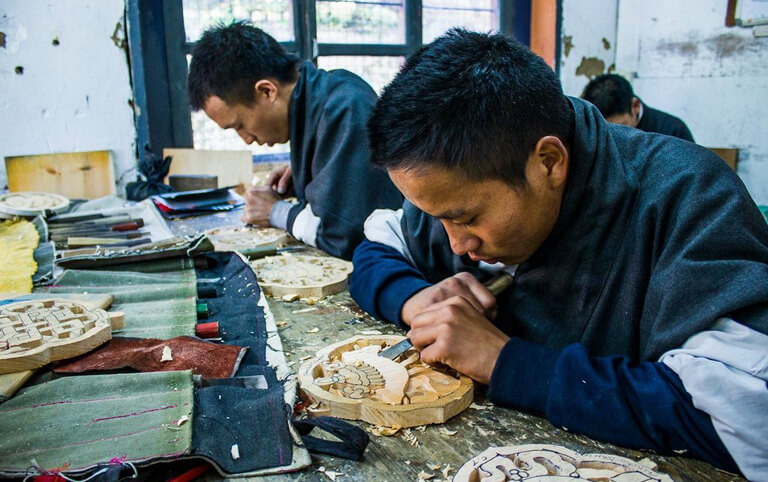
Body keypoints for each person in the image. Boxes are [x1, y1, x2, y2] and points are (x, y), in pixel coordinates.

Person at [350, 29, 768, 479]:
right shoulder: (453, 176)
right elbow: (375, 249)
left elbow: (746, 416)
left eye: (466, 218)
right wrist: (416, 299)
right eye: (437, 218)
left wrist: (506, 362)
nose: (456, 244)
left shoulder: (688, 196)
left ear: (549, 162)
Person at [187, 21, 402, 260]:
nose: (246, 139)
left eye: (240, 125)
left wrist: (275, 211)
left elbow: (346, 236)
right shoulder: (314, 100)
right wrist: (310, 174)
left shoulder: (345, 105)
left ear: (267, 91)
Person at [581, 73, 695, 142]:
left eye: (620, 127)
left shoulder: (673, 131)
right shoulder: (591, 132)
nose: (612, 136)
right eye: (605, 130)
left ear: (635, 106)